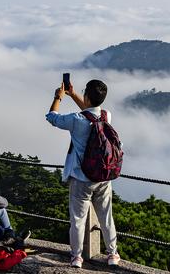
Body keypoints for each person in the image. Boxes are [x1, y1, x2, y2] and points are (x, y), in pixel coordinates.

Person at [45, 79, 120, 268]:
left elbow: (51, 117)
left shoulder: (75, 120)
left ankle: (76, 257)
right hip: (104, 176)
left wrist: (59, 97)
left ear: (86, 96)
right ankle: (112, 254)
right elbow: (91, 112)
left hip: (81, 178)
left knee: (78, 220)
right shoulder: (106, 115)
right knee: (106, 217)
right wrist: (74, 94)